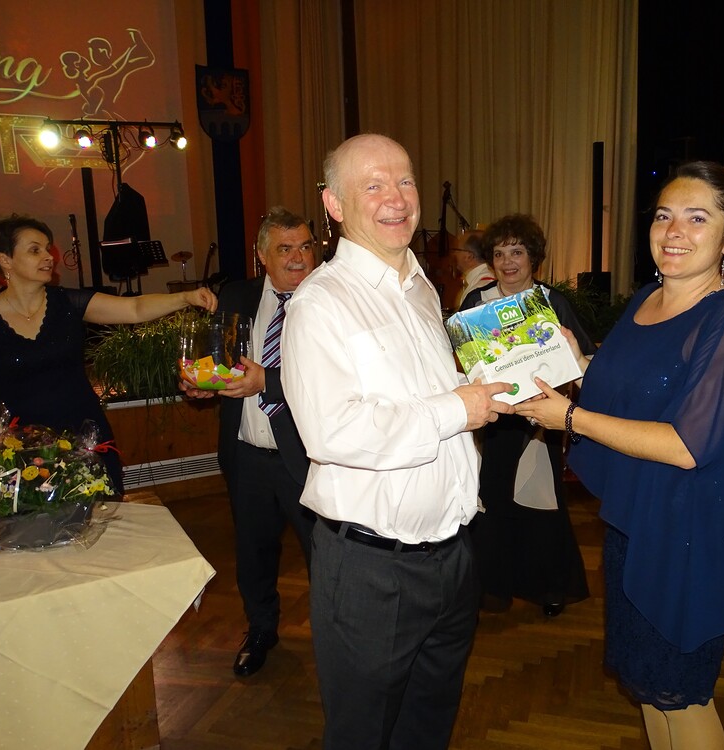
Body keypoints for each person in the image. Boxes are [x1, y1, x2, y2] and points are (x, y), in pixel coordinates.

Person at [515, 161, 724, 750]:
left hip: (691, 530)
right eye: (664, 216)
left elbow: (686, 444)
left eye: (697, 218)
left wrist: (568, 419)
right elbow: (629, 392)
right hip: (636, 522)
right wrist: (574, 362)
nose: (674, 231)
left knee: (683, 696)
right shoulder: (646, 300)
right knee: (648, 687)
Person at [281, 134, 514, 750]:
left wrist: (493, 382)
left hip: (453, 557)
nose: (397, 198)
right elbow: (333, 431)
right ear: (334, 205)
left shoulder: (422, 288)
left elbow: (426, 393)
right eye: (373, 185)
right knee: (362, 735)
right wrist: (456, 408)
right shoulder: (319, 304)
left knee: (427, 728)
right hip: (371, 572)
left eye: (405, 181)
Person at [0, 214, 217, 491]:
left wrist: (185, 297)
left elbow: (134, 309)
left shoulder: (68, 302)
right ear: (5, 260)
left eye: (47, 248)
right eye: (35, 250)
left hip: (84, 439)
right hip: (17, 451)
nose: (49, 257)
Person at [181, 207, 317, 677]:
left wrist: (268, 382)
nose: (298, 258)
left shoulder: (332, 300)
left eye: (305, 246)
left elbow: (338, 377)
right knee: (253, 552)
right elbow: (223, 362)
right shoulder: (236, 296)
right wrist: (206, 383)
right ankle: (261, 629)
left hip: (311, 457)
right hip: (247, 455)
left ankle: (335, 638)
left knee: (324, 555)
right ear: (262, 255)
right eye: (285, 248)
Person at [459, 213, 592, 617]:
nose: (508, 262)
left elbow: (582, 360)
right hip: (490, 422)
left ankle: (550, 587)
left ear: (533, 257)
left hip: (540, 421)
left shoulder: (552, 303)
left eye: (517, 252)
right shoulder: (475, 305)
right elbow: (460, 363)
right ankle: (491, 588)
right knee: (491, 502)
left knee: (541, 504)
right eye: (500, 253)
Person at [451, 230, 495, 310]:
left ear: (469, 256)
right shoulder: (476, 283)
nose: (454, 254)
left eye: (457, 250)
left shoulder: (481, 289)